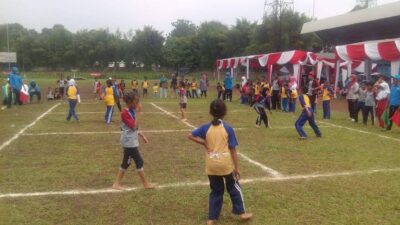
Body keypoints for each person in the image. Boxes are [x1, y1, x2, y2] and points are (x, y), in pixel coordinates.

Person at [188, 99, 252, 225]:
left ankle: (211, 218)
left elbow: (190, 135)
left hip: (211, 165)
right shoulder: (228, 128)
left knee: (216, 191)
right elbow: (233, 150)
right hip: (225, 165)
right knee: (234, 187)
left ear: (211, 112)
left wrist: (203, 143)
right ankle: (242, 212)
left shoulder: (205, 128)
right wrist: (237, 167)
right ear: (224, 112)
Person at [112, 92, 156, 190]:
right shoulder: (125, 113)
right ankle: (146, 184)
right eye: (136, 101)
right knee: (139, 161)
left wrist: (142, 135)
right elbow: (134, 126)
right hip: (129, 142)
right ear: (130, 102)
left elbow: (135, 128)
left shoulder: (131, 111)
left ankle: (116, 184)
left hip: (130, 140)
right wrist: (139, 112)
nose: (138, 103)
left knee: (126, 163)